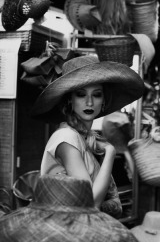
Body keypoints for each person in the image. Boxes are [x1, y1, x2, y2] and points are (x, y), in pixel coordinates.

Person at [31, 55, 145, 219]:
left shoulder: (84, 139)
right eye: (81, 94)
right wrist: (111, 153)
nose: (90, 102)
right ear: (70, 99)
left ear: (104, 101)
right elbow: (90, 204)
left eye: (97, 94)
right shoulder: (66, 138)